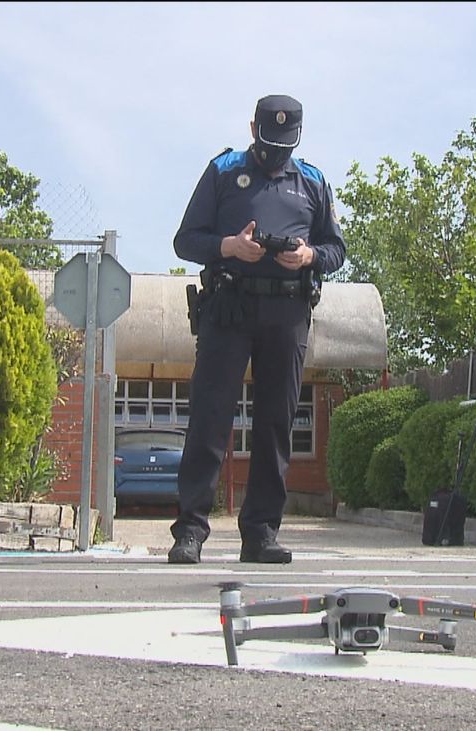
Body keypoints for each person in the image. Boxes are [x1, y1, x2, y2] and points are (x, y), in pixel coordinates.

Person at [167, 94, 347, 564]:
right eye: (269, 143)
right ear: (253, 130)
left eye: (285, 145)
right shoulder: (224, 170)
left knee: (275, 423)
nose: (276, 155)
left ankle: (261, 533)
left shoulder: (312, 180)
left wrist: (308, 256)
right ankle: (190, 530)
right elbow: (186, 240)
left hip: (287, 315)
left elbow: (336, 249)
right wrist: (228, 245)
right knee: (210, 418)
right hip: (229, 306)